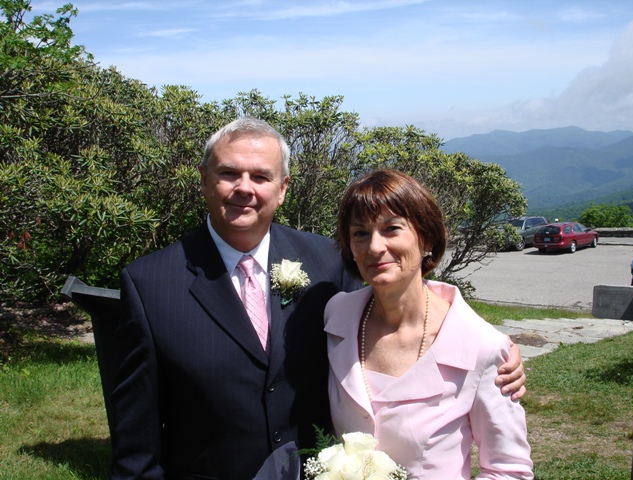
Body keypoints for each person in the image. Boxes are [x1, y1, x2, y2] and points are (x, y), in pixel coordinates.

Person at [110, 118, 526, 480]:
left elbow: (398, 294)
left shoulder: (326, 263)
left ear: (283, 188)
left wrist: (489, 347)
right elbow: (136, 442)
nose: (244, 188)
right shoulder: (149, 284)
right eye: (228, 173)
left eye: (260, 176)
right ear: (203, 179)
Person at [325, 169, 533, 479]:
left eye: (392, 228)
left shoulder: (480, 347)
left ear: (427, 239)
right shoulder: (336, 316)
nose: (374, 247)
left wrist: (501, 349)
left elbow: (509, 470)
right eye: (360, 233)